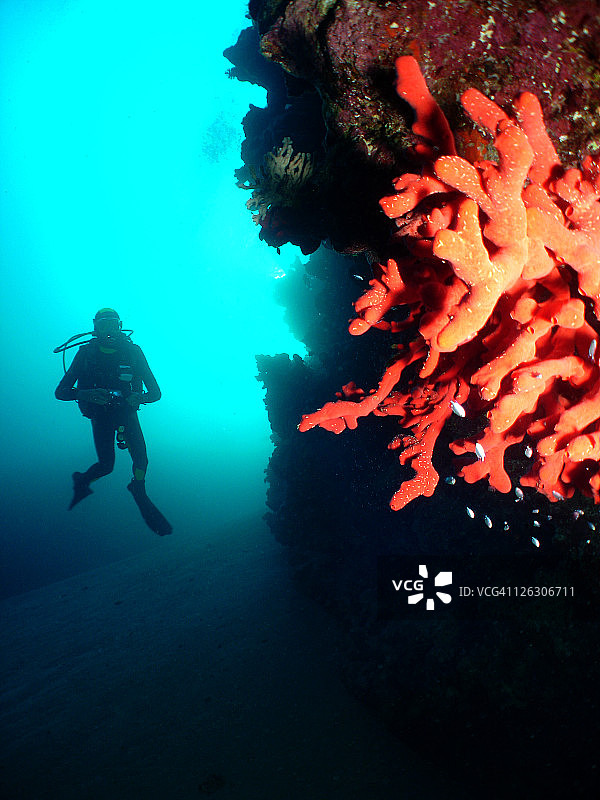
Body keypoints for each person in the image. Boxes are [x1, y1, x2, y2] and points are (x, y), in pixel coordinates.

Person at [55, 308, 172, 535]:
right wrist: (86, 394)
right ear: (95, 327)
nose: (109, 331)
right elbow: (60, 392)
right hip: (100, 415)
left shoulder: (133, 352)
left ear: (120, 326)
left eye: (113, 325)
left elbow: (156, 393)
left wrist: (140, 398)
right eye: (103, 325)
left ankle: (138, 487)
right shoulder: (86, 354)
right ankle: (82, 480)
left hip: (126, 412)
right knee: (107, 466)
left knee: (141, 460)